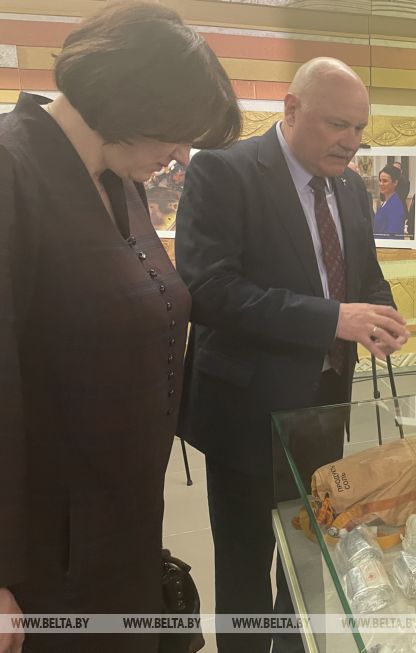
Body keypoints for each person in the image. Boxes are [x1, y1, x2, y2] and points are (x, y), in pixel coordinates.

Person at [0, 2, 241, 652]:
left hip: (123, 520)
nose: (181, 154)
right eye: (175, 133)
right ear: (127, 102)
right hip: (49, 548)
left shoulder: (116, 175)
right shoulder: (12, 168)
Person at [175, 57, 409, 653]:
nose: (351, 141)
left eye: (360, 128)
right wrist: (332, 318)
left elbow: (365, 275)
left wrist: (381, 315)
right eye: (338, 125)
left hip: (324, 404)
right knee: (246, 560)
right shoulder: (224, 172)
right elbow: (209, 289)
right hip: (247, 412)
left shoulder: (350, 187)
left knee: (310, 551)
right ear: (292, 109)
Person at [373, 164, 407, 237]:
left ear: (395, 182)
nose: (381, 184)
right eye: (380, 180)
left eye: (385, 181)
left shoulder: (395, 205)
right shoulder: (385, 202)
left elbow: (392, 235)